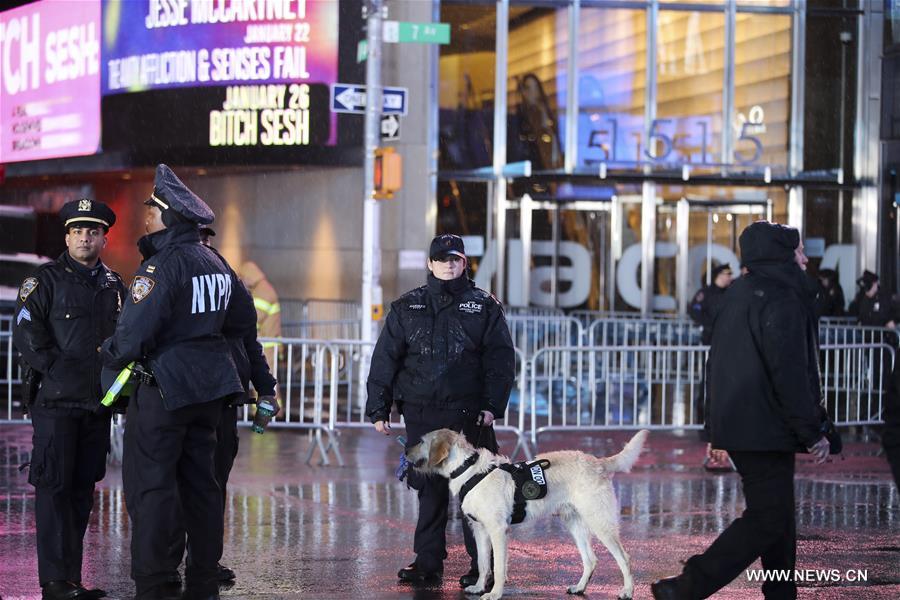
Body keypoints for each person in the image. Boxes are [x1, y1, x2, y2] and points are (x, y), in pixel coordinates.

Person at [651, 221, 831, 600]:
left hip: (747, 423)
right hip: (764, 427)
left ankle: (780, 592)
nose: (805, 258)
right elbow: (789, 373)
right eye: (798, 250)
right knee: (769, 517)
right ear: (781, 254)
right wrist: (812, 430)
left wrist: (714, 424)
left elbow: (717, 364)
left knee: (778, 516)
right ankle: (688, 586)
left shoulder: (738, 294)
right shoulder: (781, 298)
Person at [100, 164, 246, 600]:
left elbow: (133, 335)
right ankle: (203, 571)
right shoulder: (217, 263)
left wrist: (107, 352)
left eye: (152, 210)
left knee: (151, 487)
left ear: (169, 217)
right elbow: (241, 320)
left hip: (164, 391)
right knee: (202, 487)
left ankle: (155, 578)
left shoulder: (162, 266)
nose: (146, 217)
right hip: (210, 392)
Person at [365, 234, 516, 588]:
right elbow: (385, 359)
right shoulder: (407, 306)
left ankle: (483, 568)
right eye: (442, 259)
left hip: (469, 415)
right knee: (429, 491)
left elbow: (500, 360)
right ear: (430, 264)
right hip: (422, 413)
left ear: (464, 263)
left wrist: (492, 406)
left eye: (455, 259)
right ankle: (427, 562)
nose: (449, 264)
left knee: (477, 491)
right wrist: (378, 408)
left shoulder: (485, 306)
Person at [12, 199, 125, 600]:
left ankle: (71, 580)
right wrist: (58, 370)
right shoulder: (44, 280)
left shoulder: (113, 285)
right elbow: (27, 332)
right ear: (66, 237)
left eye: (93, 231)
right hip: (56, 405)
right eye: (77, 231)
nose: (84, 238)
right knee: (54, 491)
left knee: (81, 493)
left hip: (95, 406)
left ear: (104, 239)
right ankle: (54, 582)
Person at [167, 225, 280, 584]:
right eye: (195, 237)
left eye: (205, 238)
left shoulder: (229, 283)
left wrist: (266, 389)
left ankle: (204, 562)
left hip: (222, 400)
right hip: (182, 399)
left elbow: (249, 342)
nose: (202, 245)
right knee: (174, 486)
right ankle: (166, 565)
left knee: (213, 484)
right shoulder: (169, 274)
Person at [688, 263, 733, 345]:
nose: (731, 277)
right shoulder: (706, 293)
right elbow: (694, 311)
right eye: (728, 274)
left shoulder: (730, 293)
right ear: (720, 275)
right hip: (709, 337)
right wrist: (709, 324)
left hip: (727, 337)